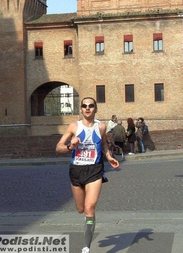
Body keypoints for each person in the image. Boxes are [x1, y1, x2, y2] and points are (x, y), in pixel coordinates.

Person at [56, 97, 119, 253]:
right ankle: (87, 220)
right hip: (76, 170)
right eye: (84, 106)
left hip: (94, 170)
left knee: (89, 207)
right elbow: (58, 147)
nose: (88, 108)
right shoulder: (74, 126)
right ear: (81, 109)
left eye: (91, 106)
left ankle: (86, 247)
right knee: (80, 209)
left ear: (95, 108)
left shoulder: (101, 127)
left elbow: (103, 143)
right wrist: (71, 145)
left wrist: (109, 156)